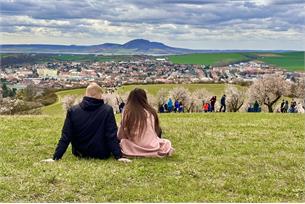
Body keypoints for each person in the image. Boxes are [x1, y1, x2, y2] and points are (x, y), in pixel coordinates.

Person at [42, 83, 130, 163]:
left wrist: (56, 157)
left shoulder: (73, 110)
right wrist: (118, 156)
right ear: (100, 95)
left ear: (86, 94)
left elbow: (66, 136)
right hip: (102, 153)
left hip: (80, 153)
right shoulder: (107, 110)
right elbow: (111, 135)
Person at [118, 88, 174, 157]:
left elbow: (121, 135)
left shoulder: (127, 112)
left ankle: (137, 151)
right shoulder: (151, 112)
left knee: (123, 142)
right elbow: (156, 131)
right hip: (152, 146)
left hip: (134, 146)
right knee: (166, 142)